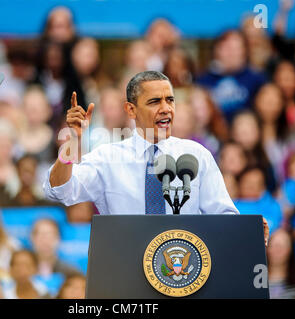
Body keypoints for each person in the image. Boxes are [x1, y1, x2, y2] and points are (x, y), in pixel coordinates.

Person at [44, 71, 269, 243]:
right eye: (154, 102)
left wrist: (248, 229)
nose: (165, 109)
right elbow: (60, 190)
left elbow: (223, 216)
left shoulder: (197, 155)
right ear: (131, 110)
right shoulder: (107, 157)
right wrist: (72, 141)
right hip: (126, 276)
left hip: (184, 273)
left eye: (169, 100)